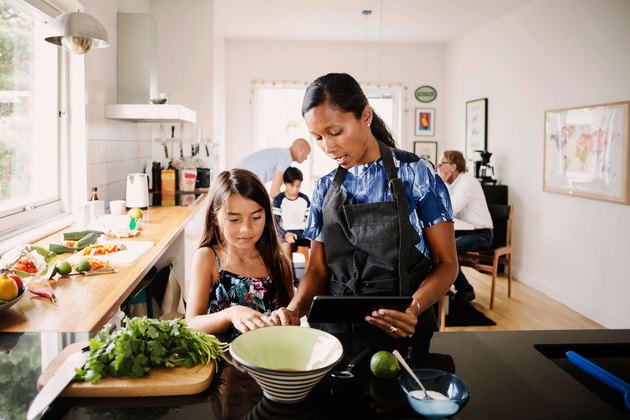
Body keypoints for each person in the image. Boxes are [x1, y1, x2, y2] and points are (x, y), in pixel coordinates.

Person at [270, 73, 458, 359]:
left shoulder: (416, 173)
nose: (328, 148)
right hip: (333, 334)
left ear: (366, 116)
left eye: (336, 132)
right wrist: (295, 309)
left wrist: (414, 308)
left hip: (401, 327)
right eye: (318, 137)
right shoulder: (323, 188)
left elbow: (446, 264)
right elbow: (318, 271)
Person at [185, 169, 294, 339]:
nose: (246, 229)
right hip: (221, 361)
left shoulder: (278, 262)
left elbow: (291, 320)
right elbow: (191, 324)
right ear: (215, 217)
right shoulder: (207, 258)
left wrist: (288, 317)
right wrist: (230, 314)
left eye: (256, 217)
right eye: (234, 220)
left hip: (268, 359)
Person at [437, 150, 493, 302]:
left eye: (442, 164)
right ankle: (445, 290)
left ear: (453, 167)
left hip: (481, 234)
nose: (438, 166)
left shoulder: (467, 182)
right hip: (465, 231)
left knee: (446, 252)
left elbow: (450, 209)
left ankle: (464, 289)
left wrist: (440, 183)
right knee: (435, 247)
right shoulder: (453, 184)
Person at [235, 138, 312, 198]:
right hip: (240, 180)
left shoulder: (282, 154)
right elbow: (274, 192)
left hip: (237, 177)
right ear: (302, 151)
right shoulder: (286, 158)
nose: (306, 158)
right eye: (307, 154)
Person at [273, 167, 311, 259]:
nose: (295, 189)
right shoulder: (278, 200)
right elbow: (275, 223)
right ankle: (287, 271)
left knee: (316, 245)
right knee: (285, 247)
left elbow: (310, 221)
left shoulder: (305, 199)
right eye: (292, 186)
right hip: (284, 234)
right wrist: (285, 234)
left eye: (298, 186)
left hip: (302, 235)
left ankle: (310, 271)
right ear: (285, 183)